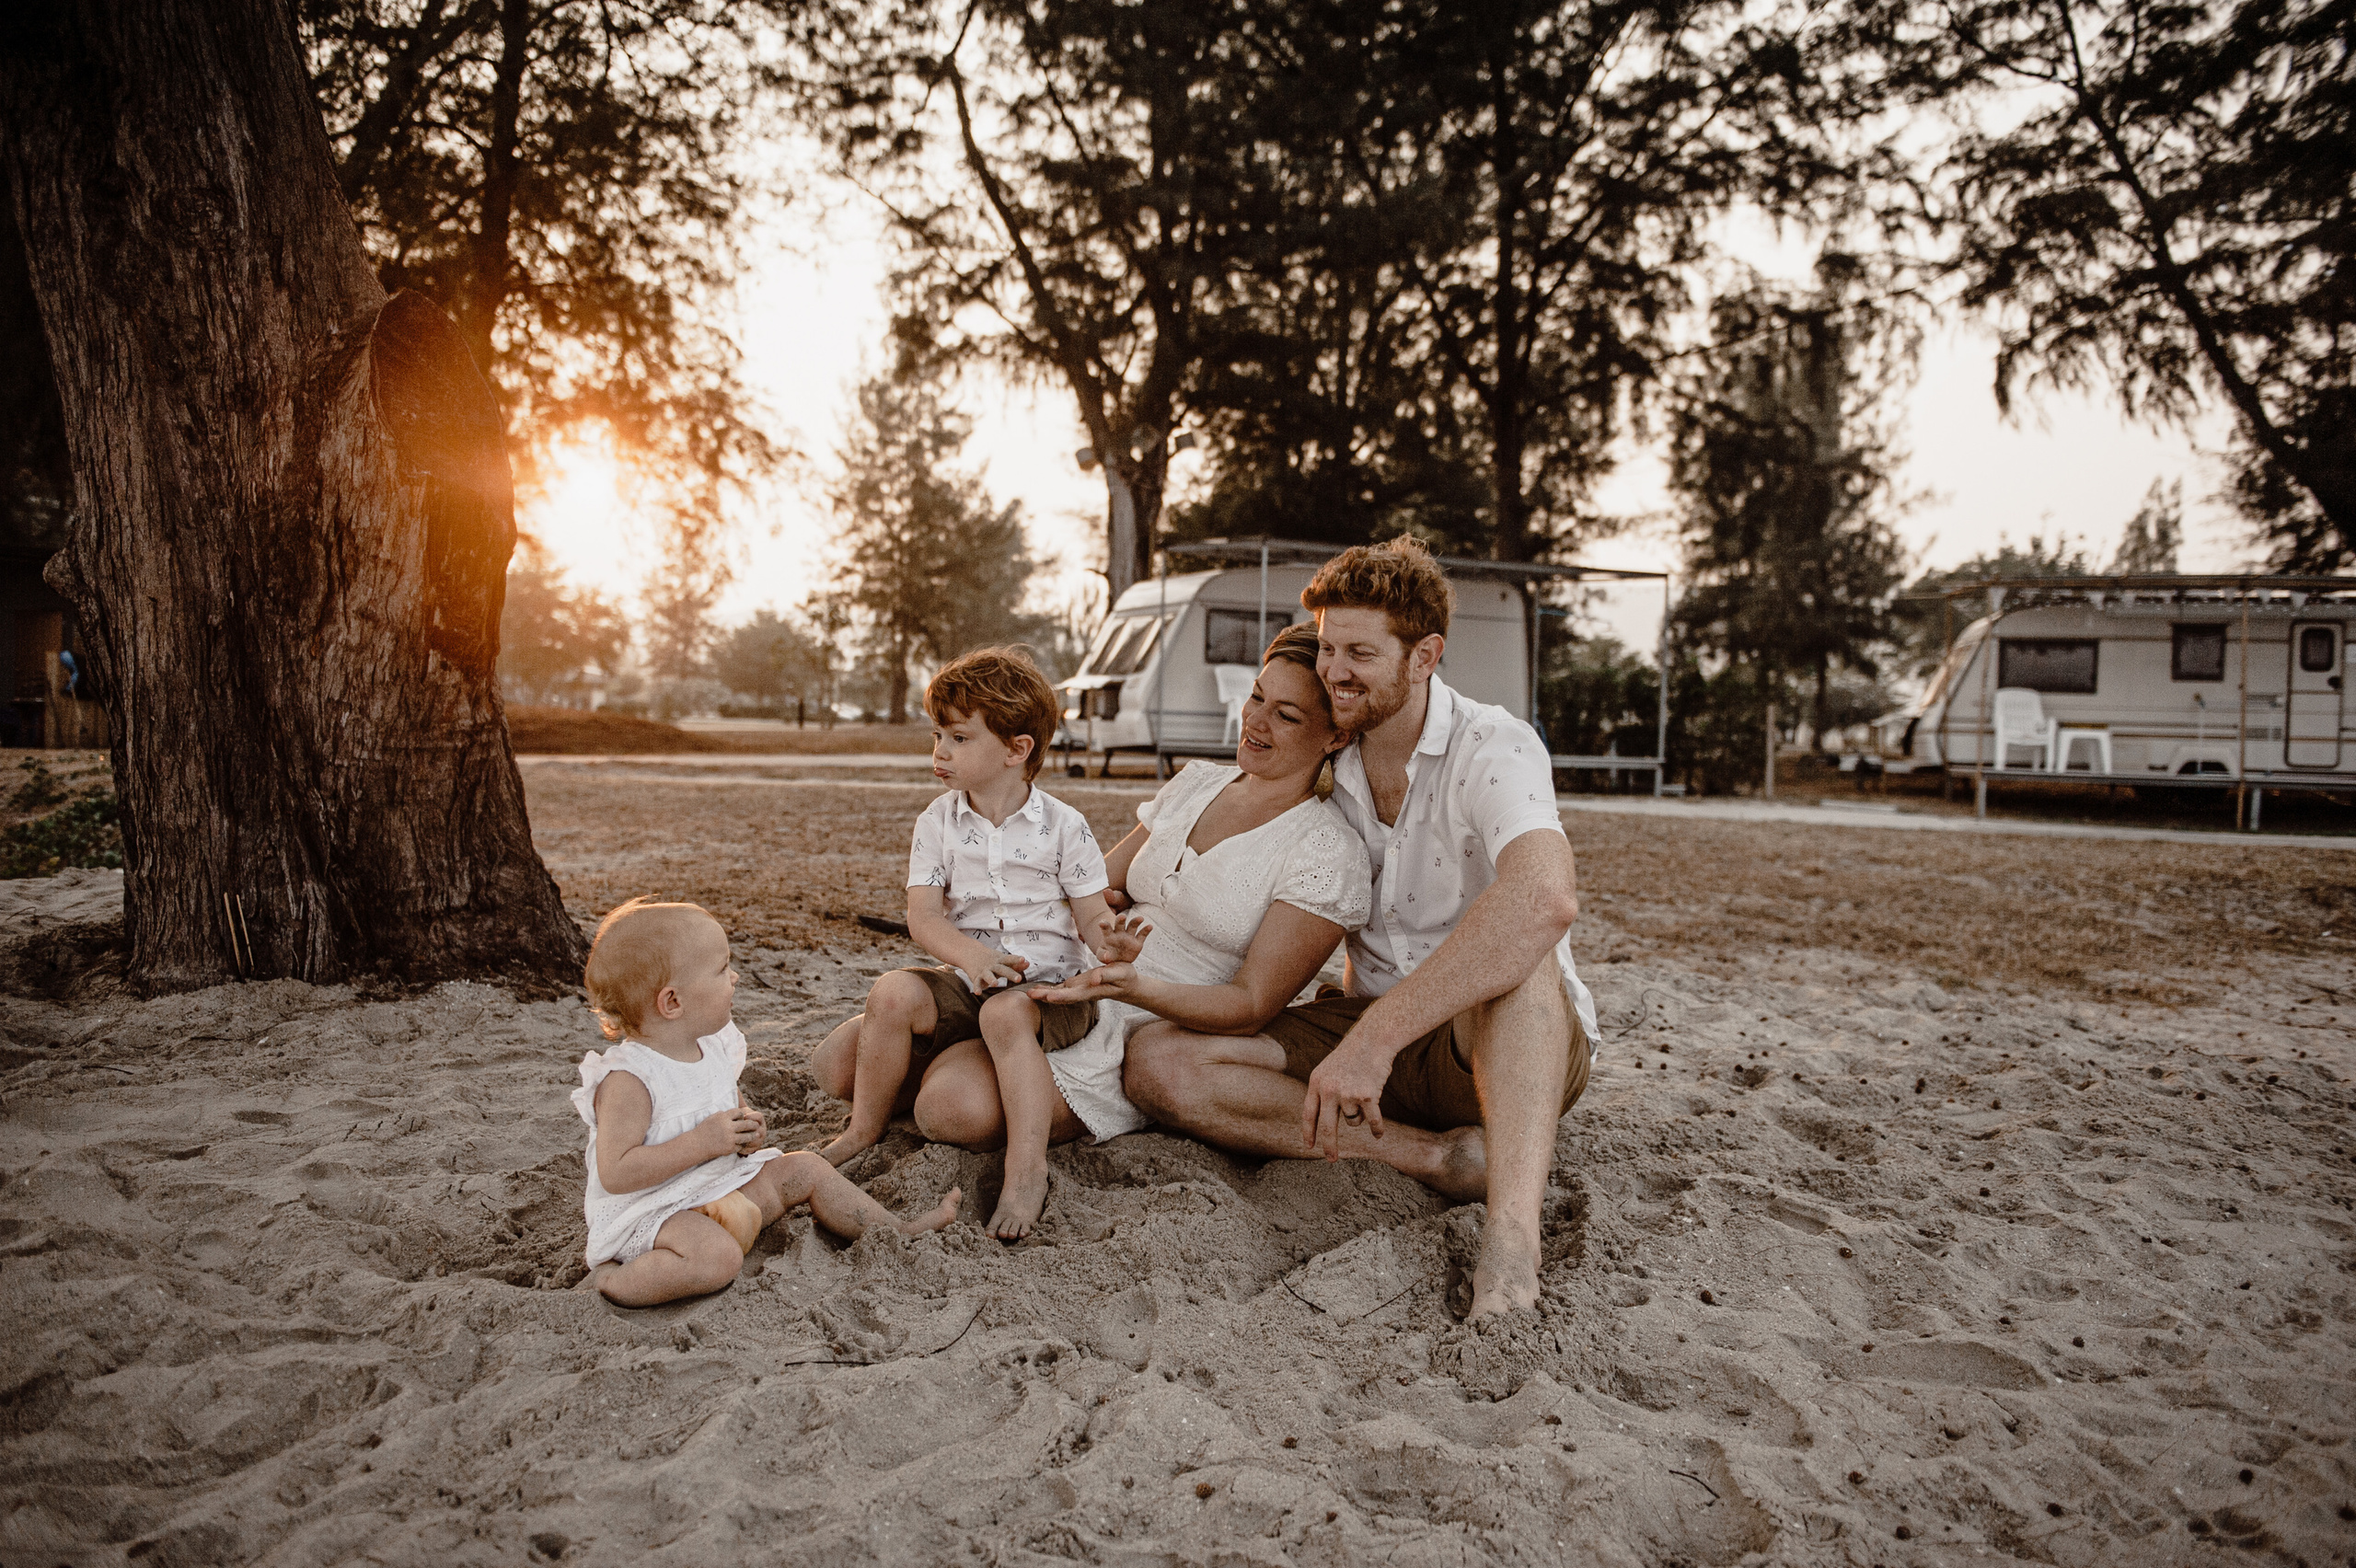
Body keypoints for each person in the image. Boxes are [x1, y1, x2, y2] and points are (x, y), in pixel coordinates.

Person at [1123, 537, 1596, 1321]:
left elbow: (1547, 898)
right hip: (1369, 1023)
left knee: (1526, 959)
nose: (1334, 670)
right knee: (1158, 1064)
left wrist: (1375, 1039)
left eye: (1360, 653)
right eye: (1330, 647)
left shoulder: (1494, 745)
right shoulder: (1326, 755)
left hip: (1487, 1039)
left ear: (1424, 656)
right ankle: (1441, 1160)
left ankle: (1512, 1240)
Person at [1022, 625, 1394, 1183]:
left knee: (952, 1107)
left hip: (1150, 1020)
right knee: (852, 1057)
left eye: (1287, 716)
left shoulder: (1326, 850)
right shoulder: (1196, 781)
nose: (1257, 722)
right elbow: (1096, 883)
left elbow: (1251, 1004)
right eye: (1257, 697)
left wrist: (1134, 985)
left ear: (1335, 739)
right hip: (1074, 968)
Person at [810, 647, 1114, 1240]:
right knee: (894, 992)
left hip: (1048, 994)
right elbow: (924, 920)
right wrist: (972, 958)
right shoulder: (938, 821)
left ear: (1016, 750)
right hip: (972, 979)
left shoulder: (1065, 826)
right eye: (937, 736)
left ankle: (1027, 1169)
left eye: (958, 738)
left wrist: (1115, 945)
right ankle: (863, 1130)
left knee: (1005, 1011)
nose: (940, 752)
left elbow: (1093, 918)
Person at [575, 898, 959, 1307]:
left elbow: (729, 1109)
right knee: (718, 1260)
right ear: (672, 1003)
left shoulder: (713, 1046)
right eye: (722, 969)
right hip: (658, 1214)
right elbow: (616, 1173)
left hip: (719, 1186)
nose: (735, 977)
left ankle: (895, 1228)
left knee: (807, 1167)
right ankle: (613, 1281)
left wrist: (748, 1131)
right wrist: (704, 1142)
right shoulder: (630, 1080)